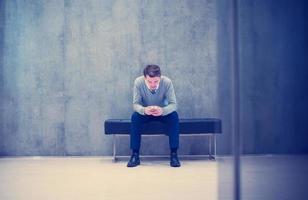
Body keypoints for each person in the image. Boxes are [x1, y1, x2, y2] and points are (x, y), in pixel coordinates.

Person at [127, 64, 181, 167]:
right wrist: (144, 110)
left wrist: (163, 110)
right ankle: (135, 155)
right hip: (146, 112)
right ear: (145, 78)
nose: (153, 84)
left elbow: (173, 104)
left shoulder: (167, 82)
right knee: (135, 117)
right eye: (149, 81)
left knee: (174, 116)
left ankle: (174, 154)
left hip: (162, 112)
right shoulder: (138, 82)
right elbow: (135, 104)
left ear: (160, 77)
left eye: (156, 81)